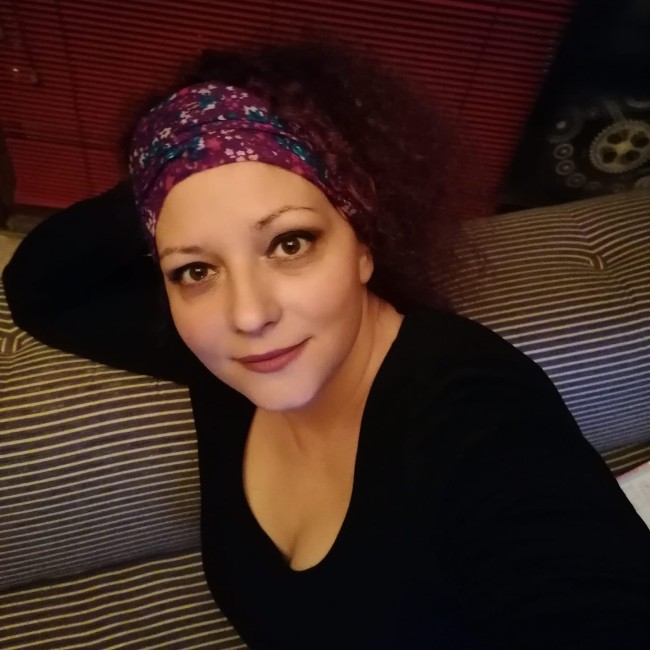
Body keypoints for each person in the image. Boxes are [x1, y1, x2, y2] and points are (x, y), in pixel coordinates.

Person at [4, 40, 650, 649]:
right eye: (195, 269)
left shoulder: (472, 412)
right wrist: (177, 160)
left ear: (365, 242)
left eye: (290, 243)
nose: (249, 314)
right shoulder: (223, 358)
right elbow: (42, 287)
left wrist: (241, 154)